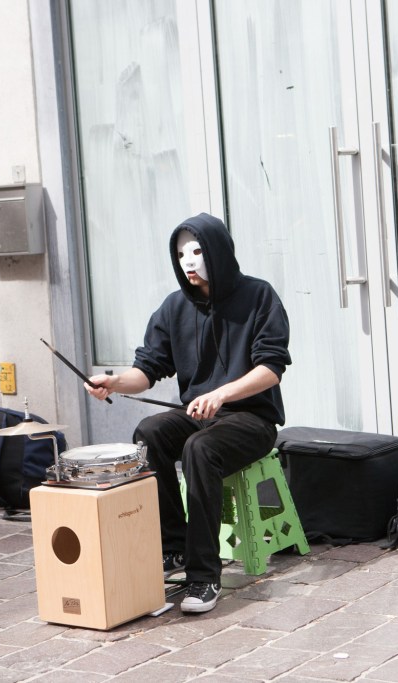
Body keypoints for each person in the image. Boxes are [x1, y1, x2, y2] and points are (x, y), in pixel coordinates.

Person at [85, 213, 291, 614]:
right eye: (181, 255)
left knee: (199, 448)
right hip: (200, 415)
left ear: (218, 251)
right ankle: (174, 547)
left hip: (252, 420)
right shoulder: (174, 306)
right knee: (149, 433)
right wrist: (113, 381)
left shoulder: (259, 296)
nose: (188, 261)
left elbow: (271, 368)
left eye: (197, 251)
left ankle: (204, 575)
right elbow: (146, 371)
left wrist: (222, 393)